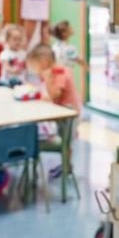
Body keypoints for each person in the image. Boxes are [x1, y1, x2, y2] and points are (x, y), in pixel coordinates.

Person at [26, 43, 80, 179]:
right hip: (62, 112)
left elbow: (55, 95)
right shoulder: (54, 72)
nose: (36, 70)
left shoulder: (60, 72)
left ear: (44, 61)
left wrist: (48, 79)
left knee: (66, 140)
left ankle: (67, 167)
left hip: (69, 113)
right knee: (64, 138)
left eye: (36, 66)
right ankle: (65, 165)